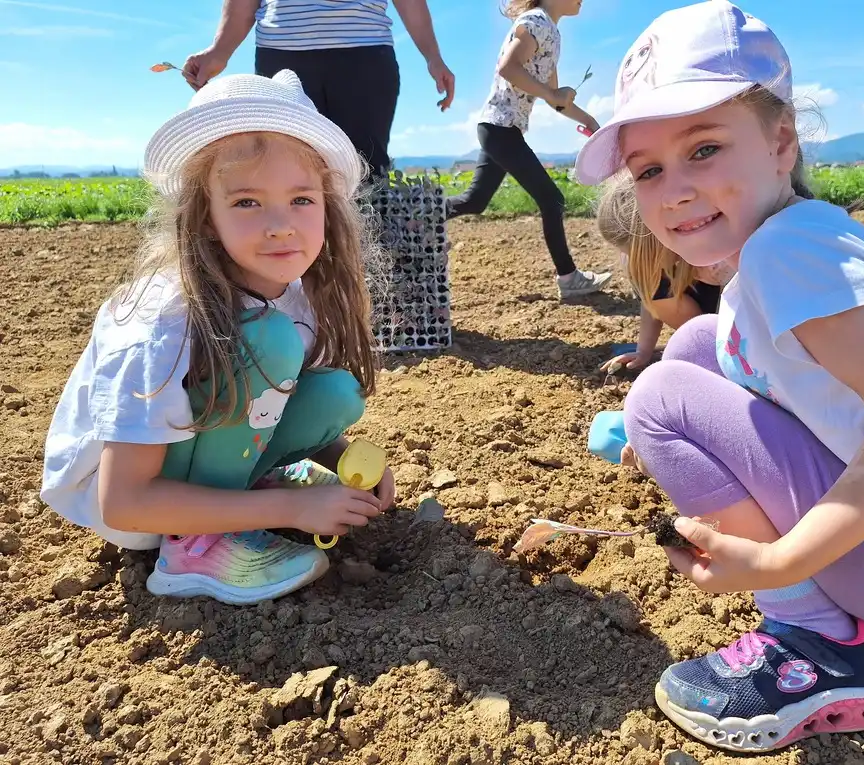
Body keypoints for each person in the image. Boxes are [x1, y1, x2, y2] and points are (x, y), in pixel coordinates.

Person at [573, 1, 864, 753]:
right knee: (699, 346)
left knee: (657, 397)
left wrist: (782, 561)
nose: (674, 188)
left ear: (781, 141)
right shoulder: (796, 244)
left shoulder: (788, 257)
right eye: (648, 169)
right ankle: (826, 611)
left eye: (704, 148)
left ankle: (820, 644)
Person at [41, 70, 396, 606]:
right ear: (207, 218)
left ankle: (249, 485)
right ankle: (193, 547)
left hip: (190, 461)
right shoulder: (164, 321)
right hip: (135, 504)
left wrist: (340, 454)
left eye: (301, 199)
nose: (280, 225)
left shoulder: (292, 294)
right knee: (267, 344)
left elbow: (271, 395)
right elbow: (124, 502)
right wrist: (293, 512)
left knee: (333, 394)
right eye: (247, 203)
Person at [446, 0, 612, 300]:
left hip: (499, 128)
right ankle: (569, 278)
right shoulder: (536, 21)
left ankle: (418, 217)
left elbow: (555, 100)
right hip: (500, 128)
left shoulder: (551, 33)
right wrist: (552, 93)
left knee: (475, 201)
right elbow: (508, 67)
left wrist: (589, 121)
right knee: (553, 199)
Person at [182, 0, 455, 179]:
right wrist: (219, 50)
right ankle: (296, 267)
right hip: (282, 56)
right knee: (286, 169)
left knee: (364, 171)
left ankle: (361, 265)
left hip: (364, 56)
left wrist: (433, 56)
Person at [596, 173, 732, 373]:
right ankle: (701, 343)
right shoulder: (647, 264)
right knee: (650, 282)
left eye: (637, 256)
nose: (632, 261)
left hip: (730, 314)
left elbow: (734, 310)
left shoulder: (716, 257)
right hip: (700, 308)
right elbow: (650, 298)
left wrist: (722, 355)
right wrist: (644, 351)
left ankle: (707, 348)